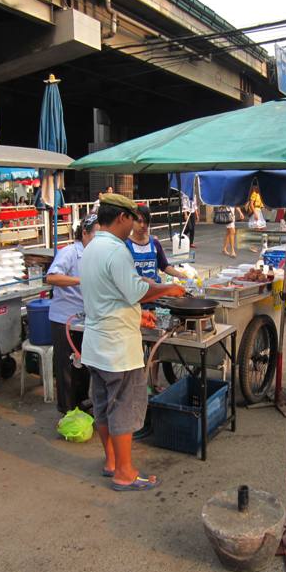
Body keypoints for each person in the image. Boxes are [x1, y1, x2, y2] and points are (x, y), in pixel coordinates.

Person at [80, 194, 185, 491]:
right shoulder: (116, 251)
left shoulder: (91, 247)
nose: (136, 225)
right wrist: (168, 289)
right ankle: (124, 473)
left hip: (95, 343)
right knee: (124, 408)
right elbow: (136, 291)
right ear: (123, 217)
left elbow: (108, 295)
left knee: (102, 406)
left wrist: (135, 316)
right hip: (118, 349)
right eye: (134, 219)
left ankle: (111, 462)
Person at [46, 214, 99, 413]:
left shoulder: (95, 255)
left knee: (84, 363)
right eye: (96, 234)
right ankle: (67, 410)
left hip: (85, 318)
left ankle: (82, 402)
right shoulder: (69, 252)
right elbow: (51, 277)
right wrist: (79, 280)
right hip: (64, 319)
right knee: (67, 367)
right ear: (84, 233)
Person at [127, 205, 187, 282]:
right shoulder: (125, 245)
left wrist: (180, 275)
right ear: (132, 221)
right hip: (136, 291)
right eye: (139, 221)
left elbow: (164, 266)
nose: (142, 225)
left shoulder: (154, 243)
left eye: (145, 222)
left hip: (155, 290)